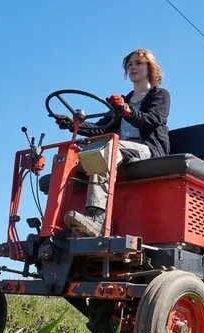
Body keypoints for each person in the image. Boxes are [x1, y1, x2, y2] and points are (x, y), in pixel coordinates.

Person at [55, 48, 170, 237]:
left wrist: (127, 111)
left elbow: (152, 120)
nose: (132, 67)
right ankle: (57, 222)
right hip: (120, 148)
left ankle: (97, 218)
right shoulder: (123, 100)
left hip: (147, 149)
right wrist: (74, 124)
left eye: (138, 63)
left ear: (150, 68)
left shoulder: (160, 95)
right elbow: (102, 127)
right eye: (129, 64)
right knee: (72, 157)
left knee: (107, 148)